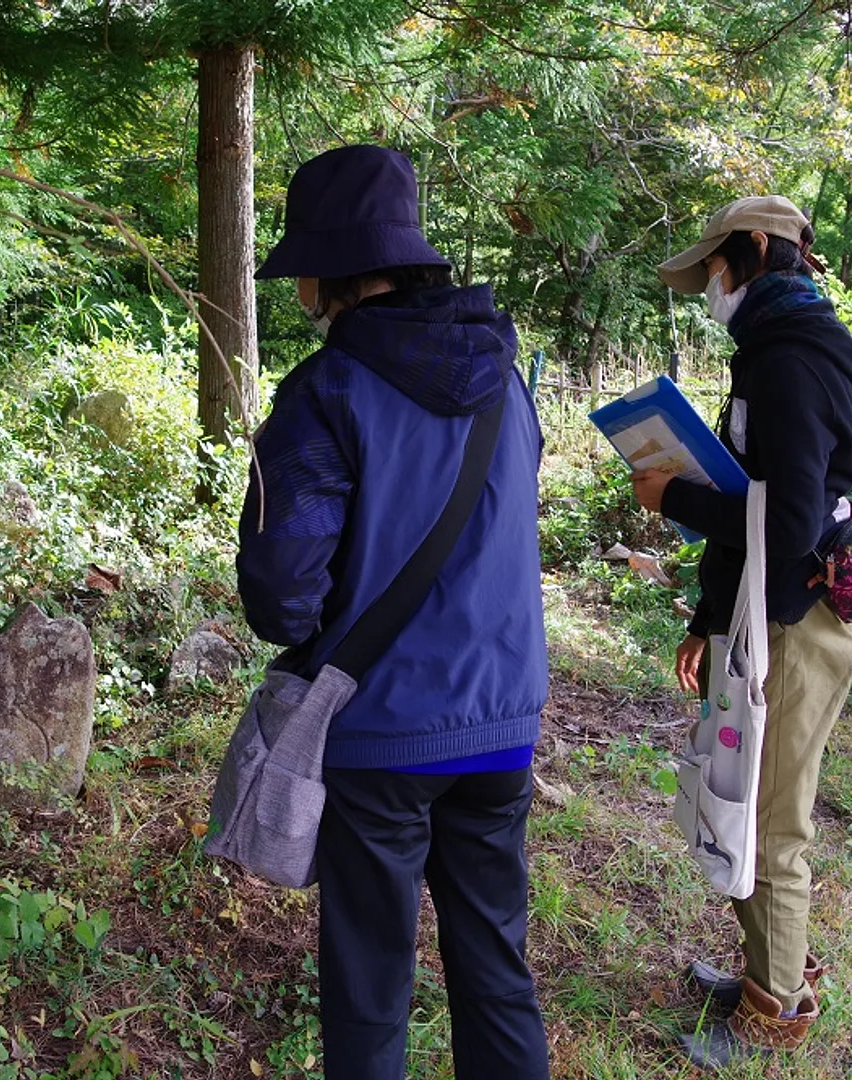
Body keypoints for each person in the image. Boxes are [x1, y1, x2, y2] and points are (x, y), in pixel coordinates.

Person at [236, 145, 551, 1080]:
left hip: (379, 735)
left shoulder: (321, 395)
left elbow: (282, 597)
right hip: (502, 721)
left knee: (372, 983)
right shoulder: (506, 378)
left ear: (325, 275)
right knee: (497, 966)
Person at [631, 195, 852, 1069]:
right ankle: (767, 969)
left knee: (771, 824)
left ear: (759, 250)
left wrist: (676, 500)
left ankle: (780, 1008)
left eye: (716, 270)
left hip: (796, 620)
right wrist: (707, 615)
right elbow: (761, 495)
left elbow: (792, 520)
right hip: (765, 610)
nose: (711, 288)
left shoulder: (791, 361)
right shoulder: (771, 348)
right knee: (743, 798)